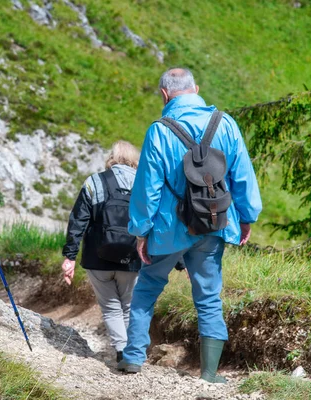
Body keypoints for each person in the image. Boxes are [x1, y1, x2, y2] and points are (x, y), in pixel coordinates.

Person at [117, 68, 262, 382]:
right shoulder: (225, 123)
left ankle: (132, 358)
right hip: (213, 224)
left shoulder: (159, 130)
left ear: (164, 95)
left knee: (147, 288)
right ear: (196, 88)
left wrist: (141, 231)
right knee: (209, 296)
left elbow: (147, 187)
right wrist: (247, 217)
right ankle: (209, 373)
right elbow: (242, 175)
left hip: (168, 229)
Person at [62, 141, 142, 362]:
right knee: (128, 305)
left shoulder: (94, 182)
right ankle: (131, 354)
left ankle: (122, 350)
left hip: (98, 258)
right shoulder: (144, 184)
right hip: (132, 257)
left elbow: (78, 221)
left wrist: (69, 256)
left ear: (111, 158)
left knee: (111, 307)